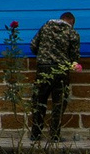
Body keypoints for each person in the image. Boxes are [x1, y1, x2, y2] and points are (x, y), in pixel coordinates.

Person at [31, 10, 81, 142]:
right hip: (60, 71)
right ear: (72, 22)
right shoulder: (73, 33)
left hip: (43, 68)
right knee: (58, 104)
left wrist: (43, 56)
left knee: (39, 101)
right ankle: (54, 135)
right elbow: (74, 57)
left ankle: (35, 134)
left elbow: (33, 45)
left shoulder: (45, 27)